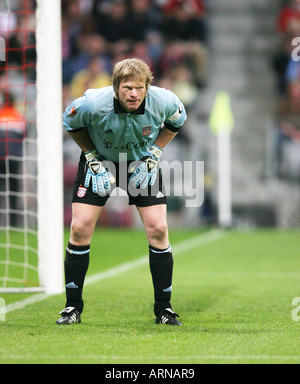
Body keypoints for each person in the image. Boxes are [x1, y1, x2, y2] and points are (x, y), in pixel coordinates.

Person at [57, 58, 187, 326]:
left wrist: (154, 154)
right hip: (99, 162)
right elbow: (69, 122)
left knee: (158, 229)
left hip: (141, 163)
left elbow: (177, 121)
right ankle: (72, 308)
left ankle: (164, 309)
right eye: (127, 87)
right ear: (115, 87)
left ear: (147, 87)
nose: (134, 94)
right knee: (80, 228)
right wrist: (91, 156)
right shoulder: (93, 103)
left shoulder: (164, 101)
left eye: (140, 88)